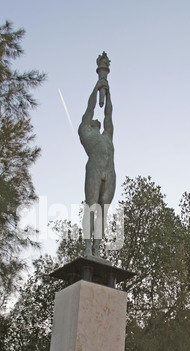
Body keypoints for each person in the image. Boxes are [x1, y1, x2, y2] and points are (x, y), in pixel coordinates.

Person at [78, 78, 116, 258]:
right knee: (91, 207)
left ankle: (97, 250)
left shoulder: (107, 136)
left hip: (110, 172)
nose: (98, 120)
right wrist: (96, 87)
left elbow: (108, 115)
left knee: (103, 212)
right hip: (94, 168)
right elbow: (90, 108)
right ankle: (87, 248)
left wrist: (108, 94)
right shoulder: (85, 129)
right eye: (95, 120)